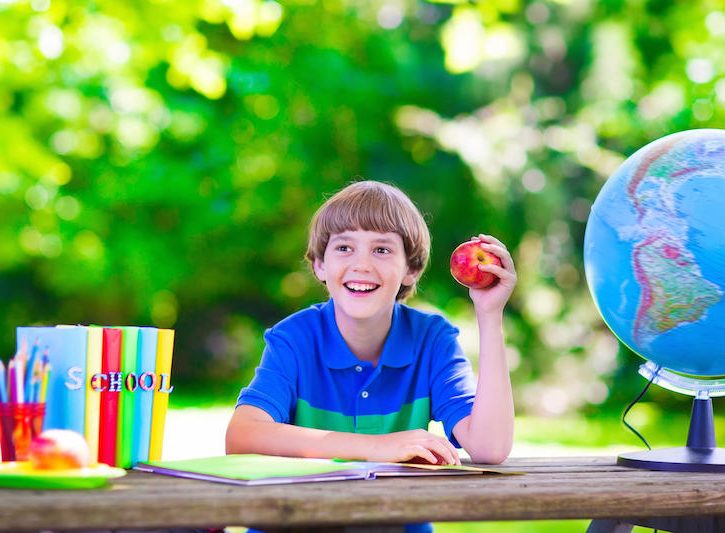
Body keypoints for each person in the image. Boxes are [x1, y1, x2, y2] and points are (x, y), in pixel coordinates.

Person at [226, 180, 516, 470]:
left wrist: (490, 315)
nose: (362, 264)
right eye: (344, 247)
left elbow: (489, 448)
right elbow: (242, 435)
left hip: (400, 515)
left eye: (381, 250)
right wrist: (375, 446)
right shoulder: (294, 339)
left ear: (411, 269)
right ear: (319, 265)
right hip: (310, 512)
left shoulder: (432, 339)